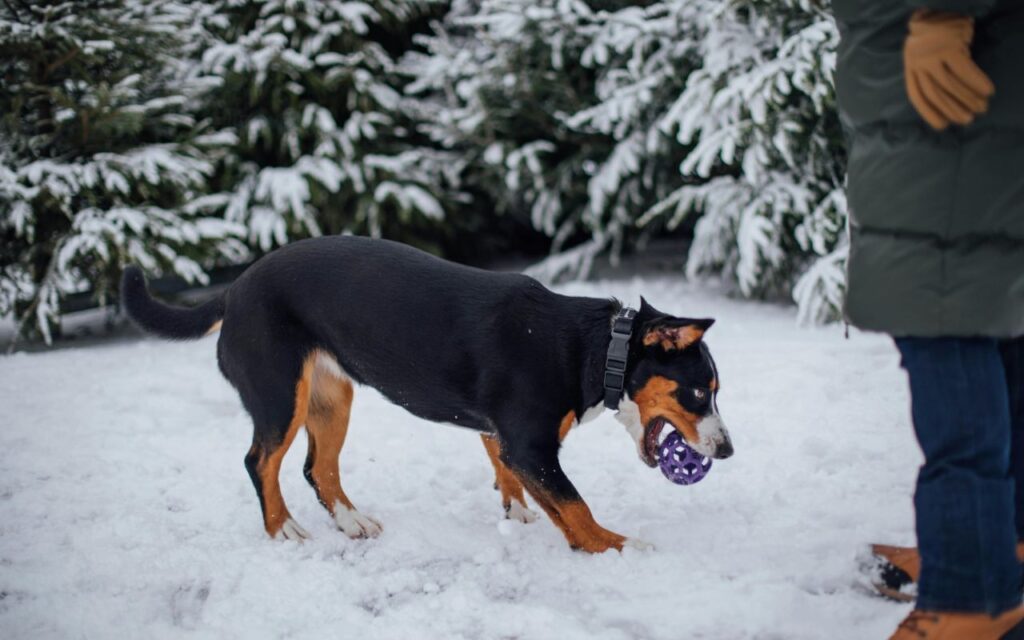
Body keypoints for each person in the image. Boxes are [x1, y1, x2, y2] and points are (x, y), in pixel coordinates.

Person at [831, 1, 1024, 638]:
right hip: (953, 110)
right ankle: (1000, 553)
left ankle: (972, 596)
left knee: (953, 332)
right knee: (1000, 333)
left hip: (946, 127)